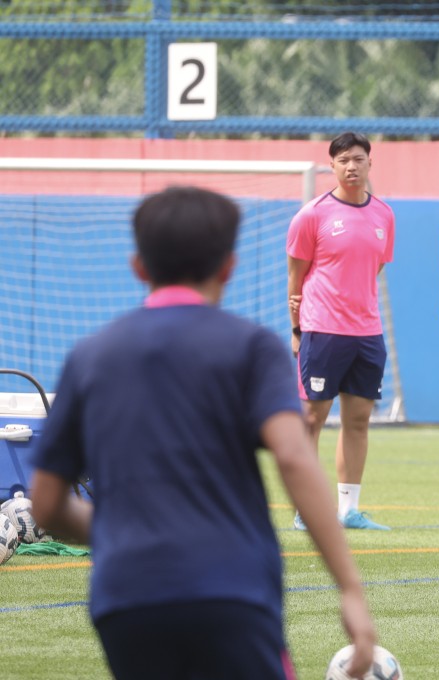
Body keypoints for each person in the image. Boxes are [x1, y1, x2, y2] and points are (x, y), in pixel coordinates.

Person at [29, 186, 377, 680]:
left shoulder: (90, 357)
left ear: (138, 268)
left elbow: (45, 504)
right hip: (229, 586)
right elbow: (295, 458)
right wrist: (349, 589)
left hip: (126, 596)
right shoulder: (252, 348)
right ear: (229, 267)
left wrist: (120, 530)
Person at [287, 131, 395, 532]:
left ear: (370, 163)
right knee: (311, 419)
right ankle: (306, 508)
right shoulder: (311, 215)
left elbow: (374, 267)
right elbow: (295, 276)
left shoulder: (384, 214)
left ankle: (348, 510)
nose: (352, 166)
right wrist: (297, 329)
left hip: (367, 334)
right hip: (322, 330)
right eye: (344, 160)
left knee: (359, 420)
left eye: (359, 159)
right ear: (331, 166)